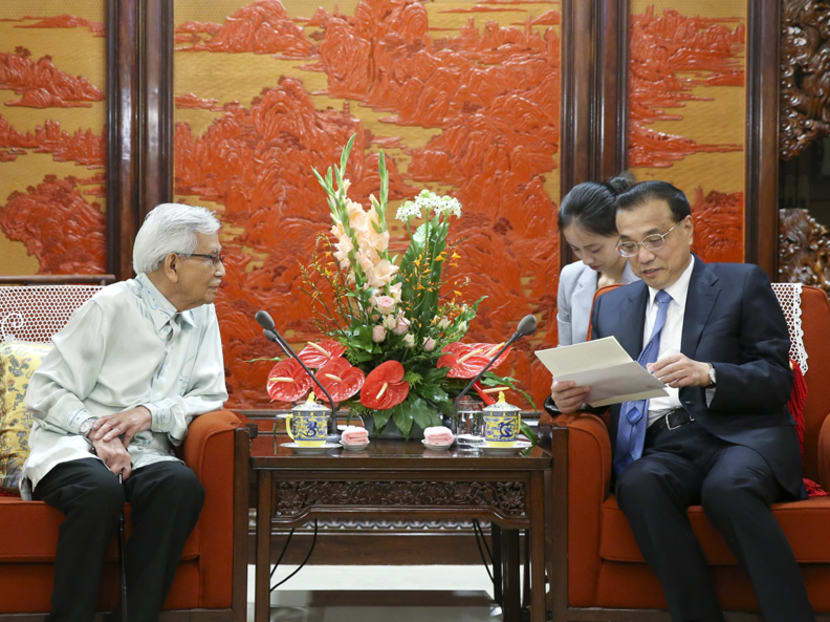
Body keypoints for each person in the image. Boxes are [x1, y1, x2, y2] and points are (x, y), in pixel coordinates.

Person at [550, 181, 815, 621]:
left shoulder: (739, 282)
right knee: (639, 484)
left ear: (687, 229)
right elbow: (603, 389)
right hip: (665, 445)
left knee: (726, 491)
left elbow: (775, 379)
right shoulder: (614, 305)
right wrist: (565, 398)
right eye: (629, 245)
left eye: (655, 239)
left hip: (740, 438)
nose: (645, 256)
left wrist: (710, 373)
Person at [21, 203, 228, 622]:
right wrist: (97, 432)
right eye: (212, 258)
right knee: (100, 492)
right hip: (73, 444)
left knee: (180, 485)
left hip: (147, 451)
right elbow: (46, 390)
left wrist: (149, 413)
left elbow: (210, 395)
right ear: (173, 264)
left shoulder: (204, 315)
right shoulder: (109, 307)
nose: (222, 270)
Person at [557, 176, 638, 346]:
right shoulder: (570, 277)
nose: (586, 260)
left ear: (620, 232)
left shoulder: (649, 276)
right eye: (575, 249)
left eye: (594, 249)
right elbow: (565, 351)